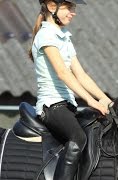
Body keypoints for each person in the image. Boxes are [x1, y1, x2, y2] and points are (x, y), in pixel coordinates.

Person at [28, 0, 113, 179]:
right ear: (52, 7)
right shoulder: (45, 35)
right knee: (78, 139)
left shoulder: (63, 36)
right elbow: (63, 74)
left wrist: (105, 99)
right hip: (51, 107)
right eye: (69, 7)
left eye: (74, 7)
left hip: (67, 106)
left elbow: (81, 75)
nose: (73, 12)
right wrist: (91, 101)